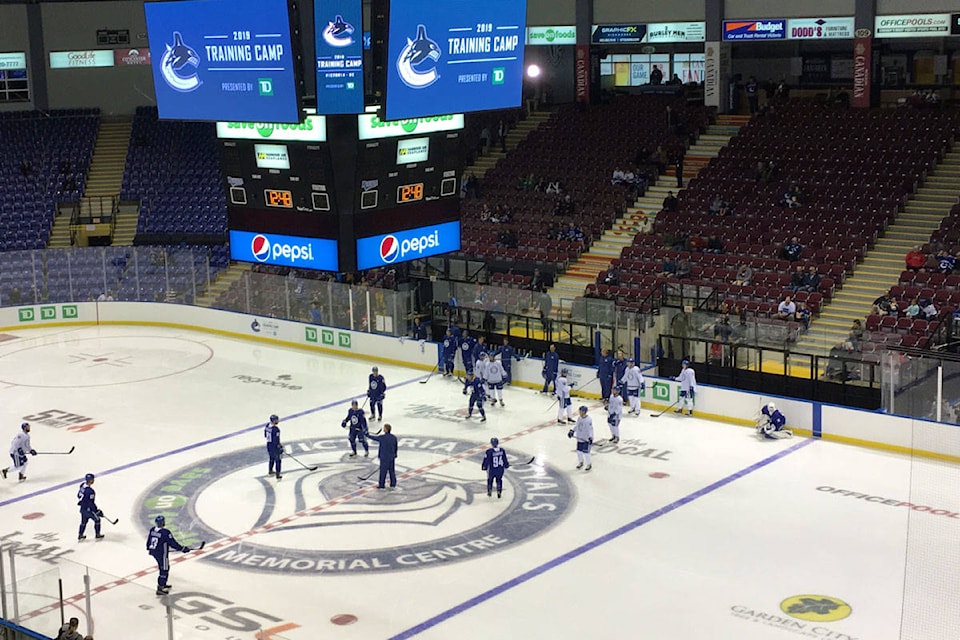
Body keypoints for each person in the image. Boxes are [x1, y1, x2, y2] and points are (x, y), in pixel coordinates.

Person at [367, 424, 399, 489]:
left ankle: (381, 484)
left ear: (386, 429)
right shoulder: (394, 437)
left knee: (383, 472)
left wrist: (367, 435)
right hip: (391, 457)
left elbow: (374, 438)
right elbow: (396, 447)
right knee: (392, 471)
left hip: (384, 457)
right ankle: (393, 483)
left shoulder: (382, 437)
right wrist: (395, 454)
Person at [77, 473, 104, 541]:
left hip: (82, 508)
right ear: (91, 480)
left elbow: (78, 495)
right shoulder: (90, 491)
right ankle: (97, 534)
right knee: (97, 520)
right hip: (89, 510)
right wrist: (96, 510)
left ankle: (80, 535)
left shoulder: (82, 485)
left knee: (83, 522)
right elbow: (91, 503)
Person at [568, 406, 594, 471]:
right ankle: (581, 462)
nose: (579, 412)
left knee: (586, 453)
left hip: (586, 439)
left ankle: (589, 464)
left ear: (584, 412)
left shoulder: (588, 420)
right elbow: (577, 426)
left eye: (581, 411)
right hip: (579, 438)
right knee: (579, 451)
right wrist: (572, 430)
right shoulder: (579, 418)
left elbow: (590, 429)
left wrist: (590, 437)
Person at [264, 414, 282, 480]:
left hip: (268, 444)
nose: (278, 421)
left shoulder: (267, 426)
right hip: (274, 446)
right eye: (277, 420)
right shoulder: (276, 429)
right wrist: (279, 447)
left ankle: (270, 470)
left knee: (271, 458)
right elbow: (276, 440)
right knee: (278, 460)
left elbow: (265, 435)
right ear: (274, 420)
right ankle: (278, 474)